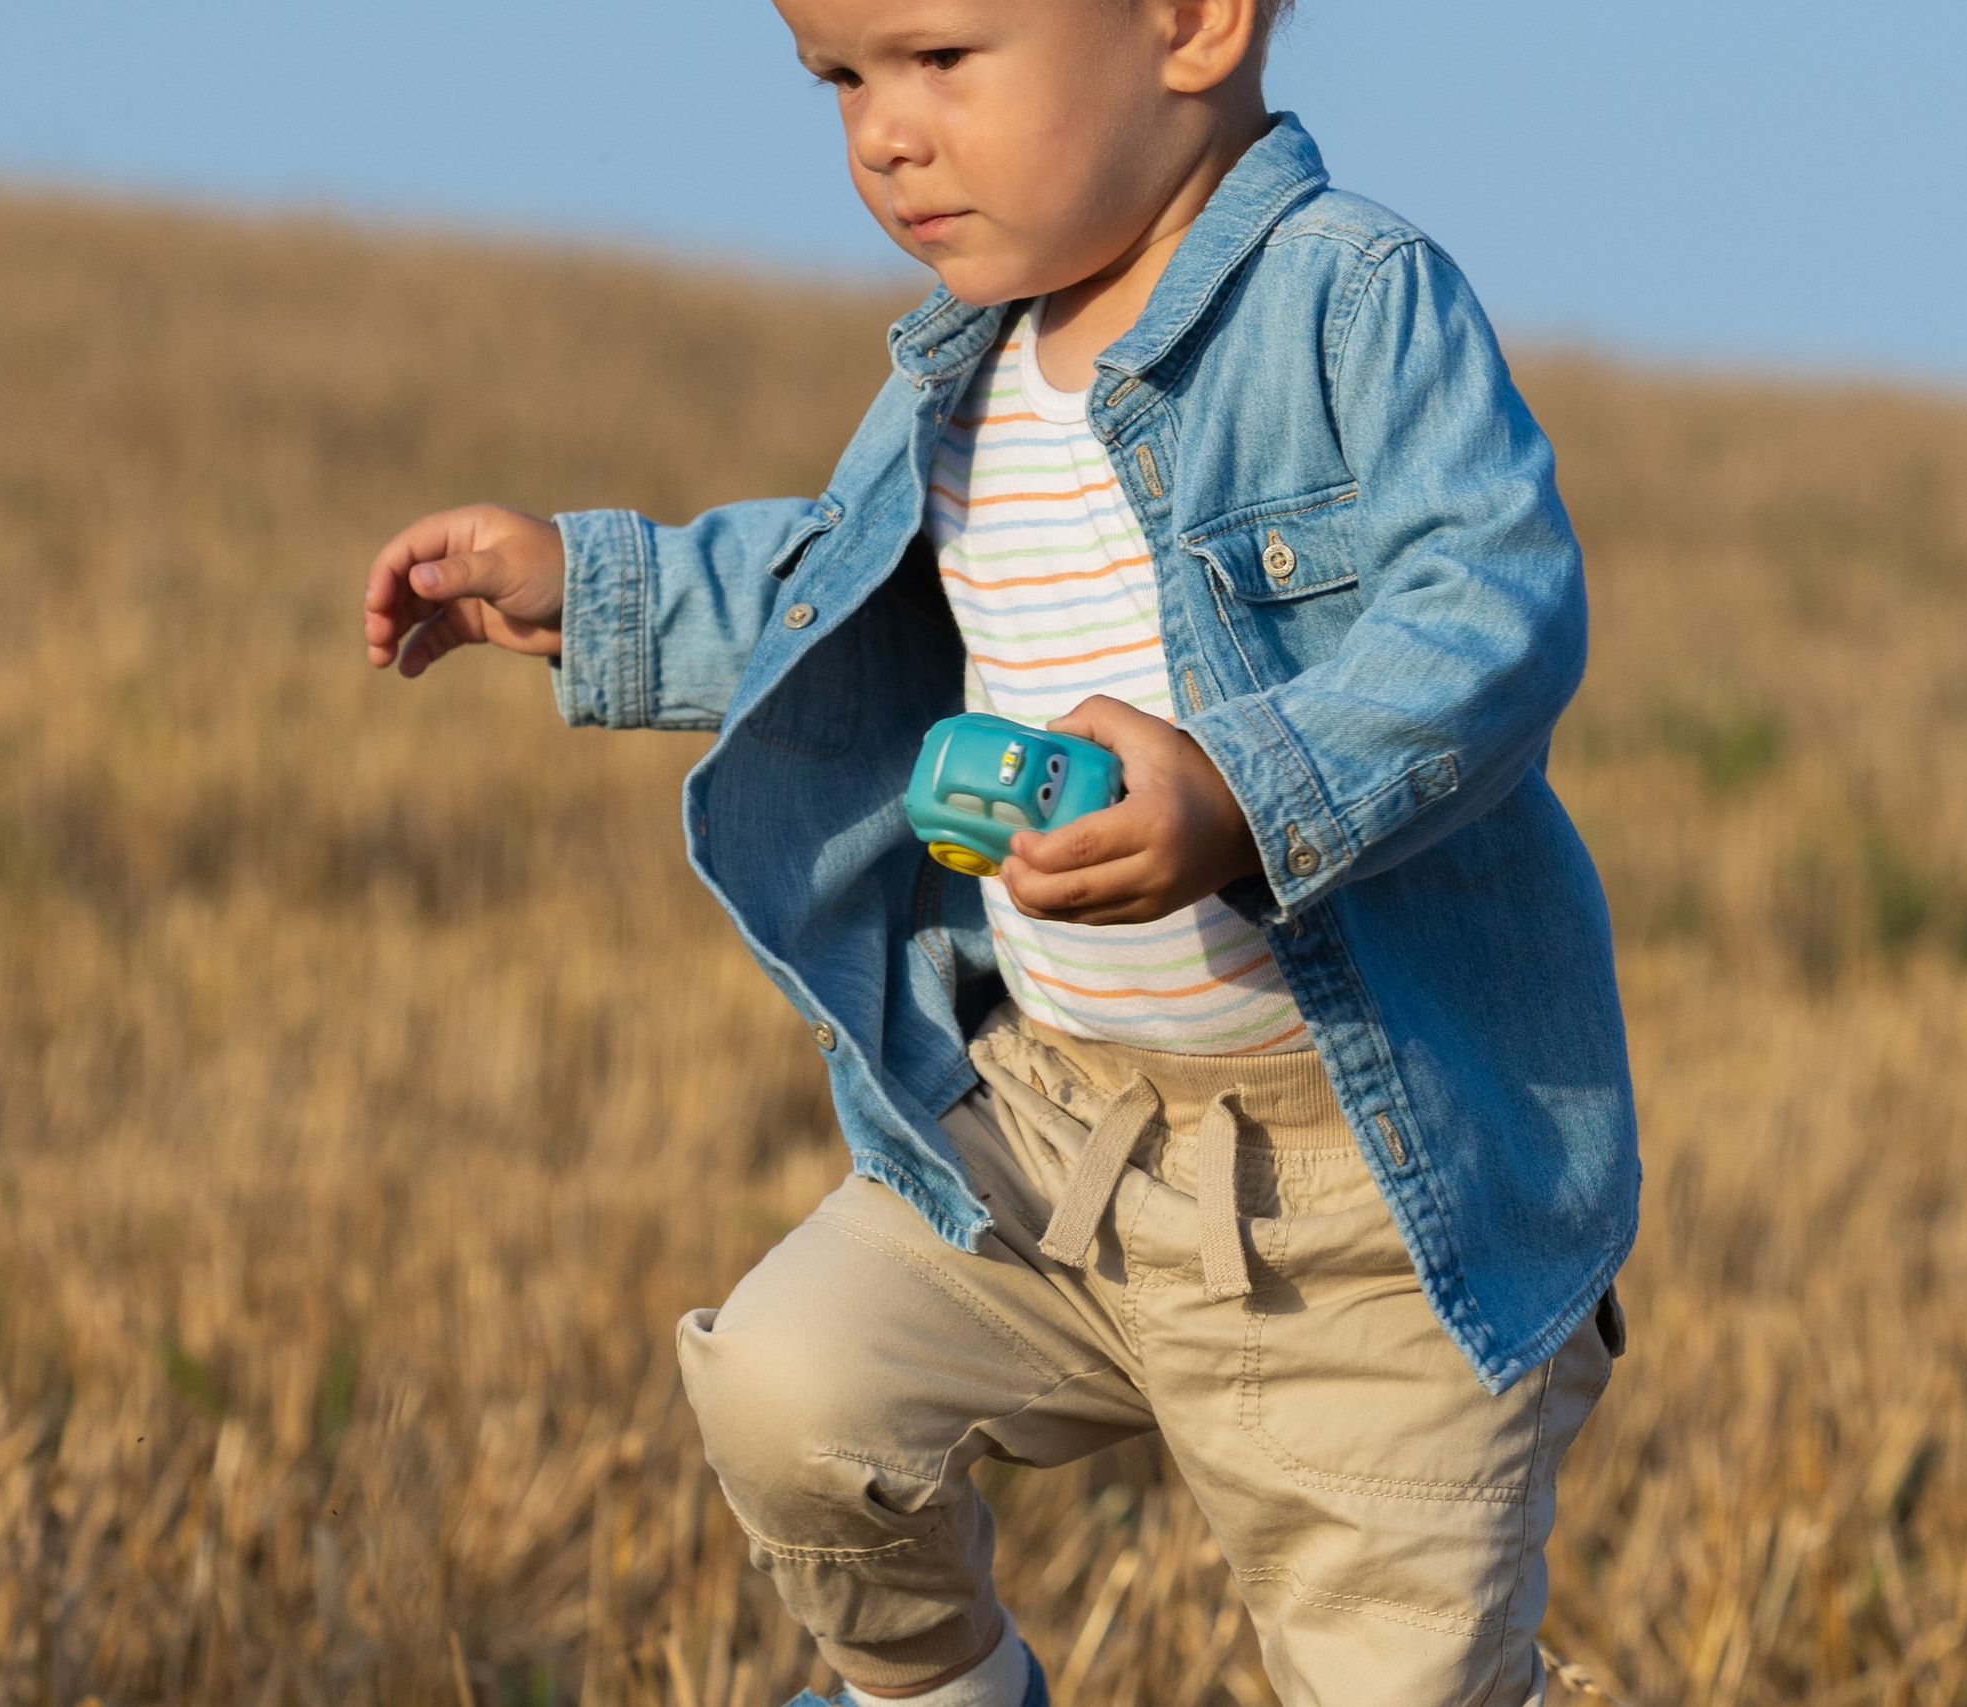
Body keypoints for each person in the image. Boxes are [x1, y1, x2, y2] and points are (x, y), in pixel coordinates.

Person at [361, 1, 1638, 1701]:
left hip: (1357, 1205)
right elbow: (828, 589)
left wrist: (1240, 791)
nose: (882, 134)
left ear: (1191, 22)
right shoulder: (960, 373)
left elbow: (1492, 609)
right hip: (1054, 1139)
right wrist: (591, 593)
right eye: (839, 79)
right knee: (793, 1391)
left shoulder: (1349, 299)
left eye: (940, 58)